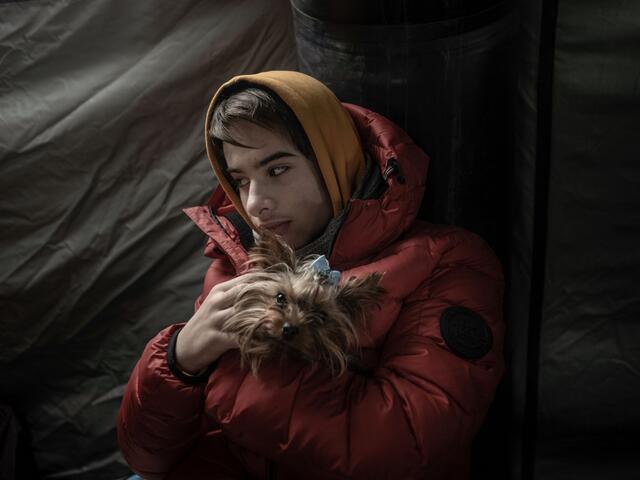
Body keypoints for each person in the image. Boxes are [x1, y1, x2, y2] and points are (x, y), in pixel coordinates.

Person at [117, 71, 505, 480]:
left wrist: (222, 371)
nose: (255, 204)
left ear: (333, 157)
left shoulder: (447, 263)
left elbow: (401, 446)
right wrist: (179, 359)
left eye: (278, 169)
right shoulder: (239, 260)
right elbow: (148, 460)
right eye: (240, 180)